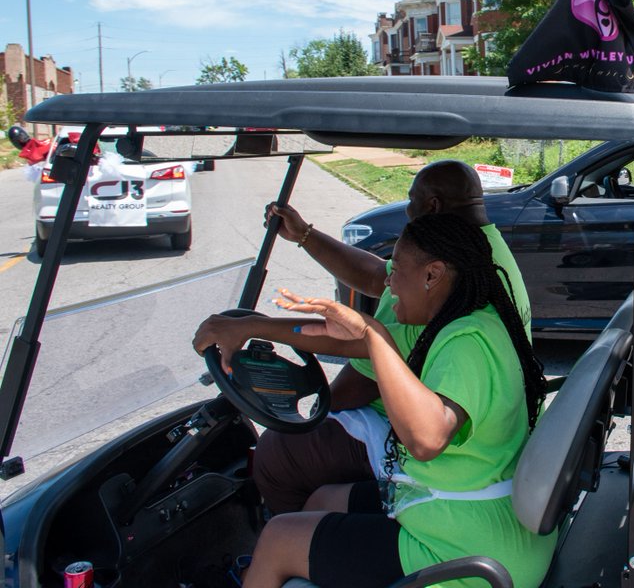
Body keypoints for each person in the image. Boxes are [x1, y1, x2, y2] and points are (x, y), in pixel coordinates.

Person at [192, 159, 531, 513]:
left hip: (446, 459)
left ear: (432, 206)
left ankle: (293, 547)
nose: (391, 280)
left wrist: (252, 328)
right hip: (455, 435)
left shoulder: (456, 305)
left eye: (411, 199)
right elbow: (375, 276)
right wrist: (305, 235)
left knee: (279, 454)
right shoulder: (469, 252)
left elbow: (359, 368)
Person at [241, 213, 553, 588]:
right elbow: (343, 339)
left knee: (277, 538)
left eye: (397, 269)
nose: (387, 281)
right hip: (464, 515)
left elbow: (426, 440)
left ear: (432, 275)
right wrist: (248, 326)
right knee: (323, 498)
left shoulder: (467, 344)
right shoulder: (452, 322)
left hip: (473, 548)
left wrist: (373, 337)